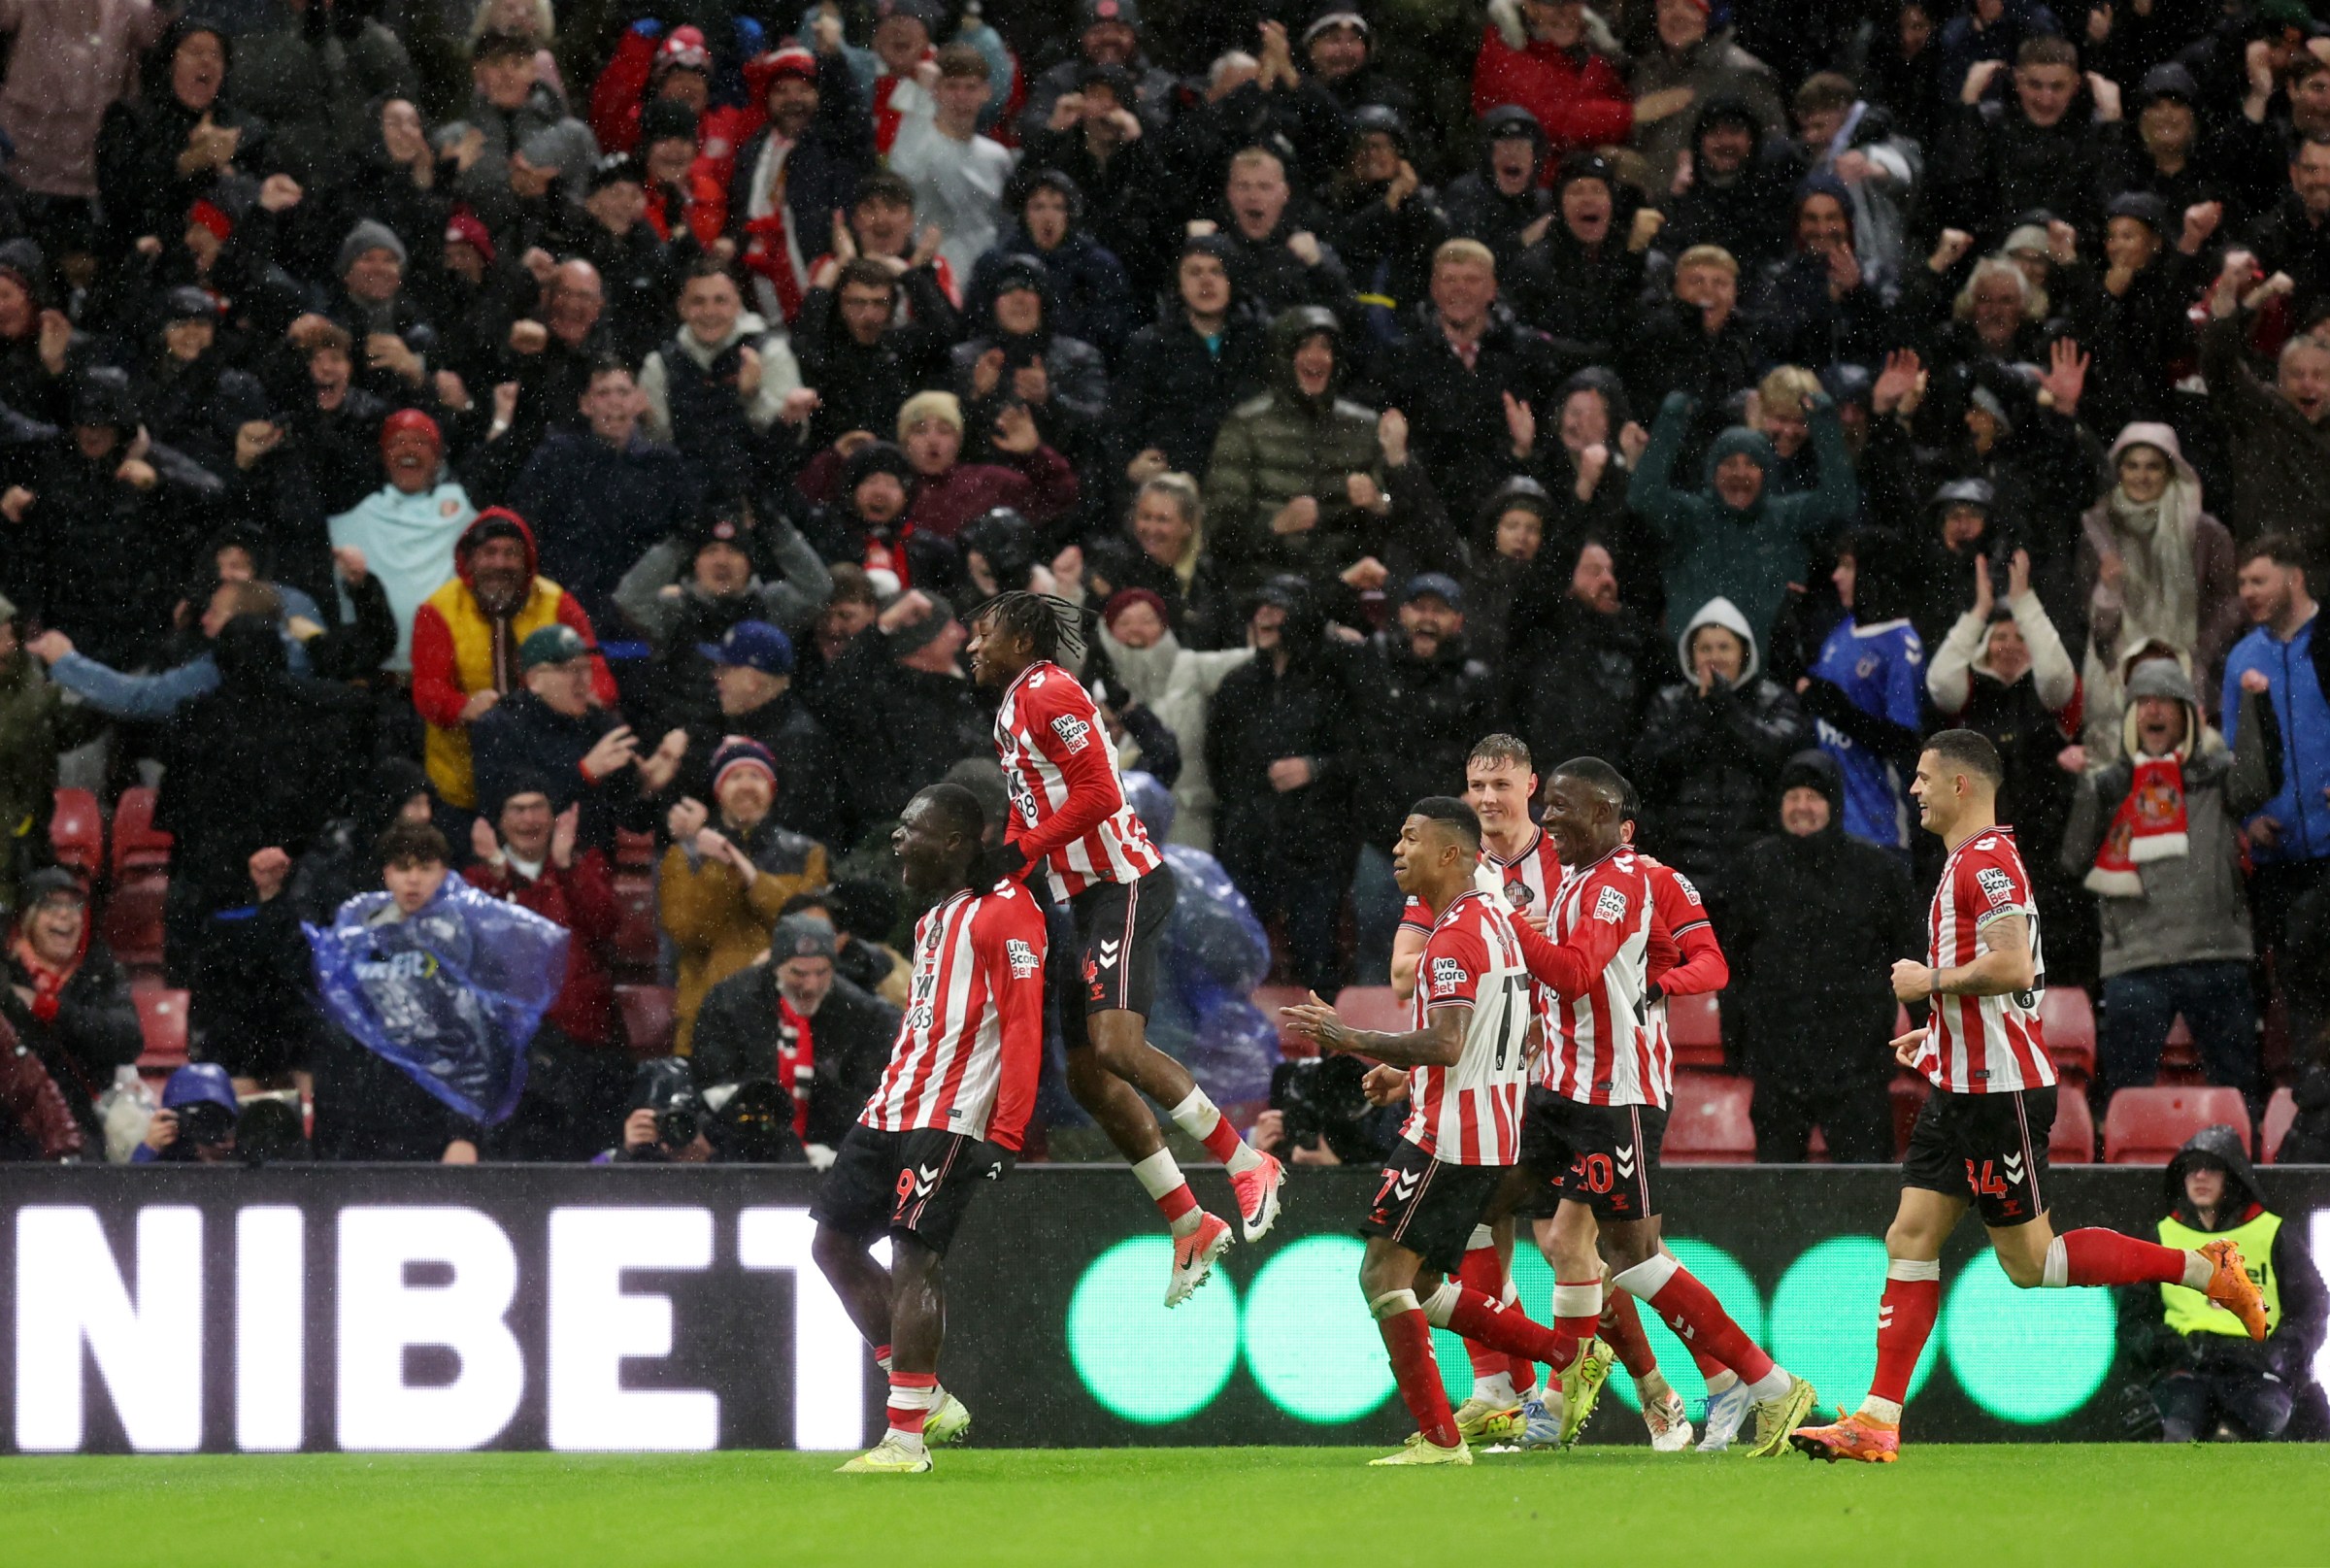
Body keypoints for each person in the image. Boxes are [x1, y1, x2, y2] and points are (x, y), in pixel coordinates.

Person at [1794, 730, 2270, 1463]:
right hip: (1961, 1083)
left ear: (1961, 785)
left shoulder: (1985, 861)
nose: (1913, 789)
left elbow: (2013, 963)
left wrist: (1929, 985)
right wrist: (1940, 1036)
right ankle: (1878, 1418)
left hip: (2000, 1094)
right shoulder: (1967, 860)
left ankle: (2208, 1268)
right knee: (1909, 1235)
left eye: (1923, 778)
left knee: (2033, 1264)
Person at [1492, 757, 1819, 1454]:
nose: (1545, 819)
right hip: (1561, 1086)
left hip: (1617, 1091)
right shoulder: (1573, 879)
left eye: (1560, 806)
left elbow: (1696, 962)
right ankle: (1570, 1390)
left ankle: (1736, 1381)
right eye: (1543, 805)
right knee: (1536, 1226)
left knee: (1624, 1253)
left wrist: (1656, 982)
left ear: (1616, 818)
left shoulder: (1635, 881)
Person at [968, 590, 1282, 1306]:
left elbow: (1103, 794)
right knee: (1086, 1075)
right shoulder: (1014, 703)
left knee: (1115, 1043)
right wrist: (1018, 872)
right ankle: (1188, 1219)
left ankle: (1245, 1161)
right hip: (1083, 898)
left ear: (1021, 639)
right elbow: (1036, 803)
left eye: (983, 634)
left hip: (1125, 882)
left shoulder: (1050, 692)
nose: (972, 647)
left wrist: (1024, 849)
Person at [1280, 796, 1575, 1466]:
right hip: (1489, 1130)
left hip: (1448, 1134)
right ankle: (1566, 1352)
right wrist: (1397, 1069)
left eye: (1411, 837)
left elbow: (1446, 1042)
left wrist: (1348, 1035)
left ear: (1451, 852)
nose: (1397, 849)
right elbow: (1513, 1028)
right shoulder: (1499, 917)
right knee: (1424, 1283)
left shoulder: (1452, 938)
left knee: (1381, 1274)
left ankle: (1441, 1441)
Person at [811, 784, 1046, 1473]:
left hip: (950, 1114)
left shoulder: (1008, 915)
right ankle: (929, 1395)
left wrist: (1006, 1132)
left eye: (910, 827)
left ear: (954, 840)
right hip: (890, 1105)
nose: (897, 838)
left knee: (913, 1254)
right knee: (831, 1242)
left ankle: (906, 1440)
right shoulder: (932, 919)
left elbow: (1026, 1029)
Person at [2063, 662, 2275, 1111]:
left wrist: (2256, 706)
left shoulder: (2217, 775)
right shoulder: (2110, 785)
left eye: (2162, 700)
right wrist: (2086, 787)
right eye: (2142, 701)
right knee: (2125, 1102)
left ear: (2185, 714)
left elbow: (2257, 785)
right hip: (2135, 961)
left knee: (2240, 1100)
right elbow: (2073, 859)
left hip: (2215, 956)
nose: (2151, 710)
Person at [1728, 751, 1922, 1163]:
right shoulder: (1753, 868)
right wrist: (1737, 1045)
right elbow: (1734, 964)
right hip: (1776, 1066)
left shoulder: (1879, 871)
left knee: (1865, 1204)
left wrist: (1926, 1031)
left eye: (1812, 797)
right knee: (1775, 1201)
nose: (1801, 808)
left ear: (1833, 804)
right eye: (1792, 797)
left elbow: (1911, 960)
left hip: (1859, 1068)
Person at [2117, 1125, 2328, 1444]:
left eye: (2211, 1168)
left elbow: (2313, 1306)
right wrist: (2165, 1347)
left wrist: (2278, 1354)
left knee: (2266, 1427)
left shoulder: (2271, 1233)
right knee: (2174, 1434)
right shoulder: (2162, 1236)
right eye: (2191, 1170)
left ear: (2232, 1175)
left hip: (2257, 1372)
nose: (2200, 1177)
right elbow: (2134, 1315)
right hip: (2185, 1371)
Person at [410, 509, 616, 816]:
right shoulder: (437, 610)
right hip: (462, 785)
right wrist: (463, 707)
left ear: (527, 560)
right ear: (468, 560)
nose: (500, 563)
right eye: (489, 553)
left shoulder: (558, 602)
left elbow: (598, 672)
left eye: (511, 554)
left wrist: (588, 695)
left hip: (552, 778)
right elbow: (428, 690)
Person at [461, 785, 627, 1160]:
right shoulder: (475, 877)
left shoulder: (583, 865)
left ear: (553, 817)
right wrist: (498, 875)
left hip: (582, 1042)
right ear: (500, 821)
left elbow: (605, 923)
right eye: (517, 809)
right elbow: (482, 944)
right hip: (511, 1048)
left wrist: (567, 866)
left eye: (538, 808)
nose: (529, 819)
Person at [1631, 596, 1808, 925]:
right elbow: (1648, 767)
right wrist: (1700, 715)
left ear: (1744, 652)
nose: (1714, 657)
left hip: (1754, 864)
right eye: (1705, 648)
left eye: (1724, 647)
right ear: (1690, 654)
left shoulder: (1773, 700)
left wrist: (1728, 709)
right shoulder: (1670, 702)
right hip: (1683, 865)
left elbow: (1776, 756)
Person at [2219, 535, 2330, 1043]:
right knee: (2297, 994)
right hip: (2278, 860)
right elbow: (2232, 757)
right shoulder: (2242, 660)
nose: (2247, 592)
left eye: (2258, 580)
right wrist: (2247, 818)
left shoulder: (2327, 640)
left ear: (2295, 578)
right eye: (2241, 583)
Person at [658, 738, 829, 1052]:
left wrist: (753, 878)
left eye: (757, 776)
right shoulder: (684, 856)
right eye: (735, 777)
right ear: (718, 791)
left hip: (786, 1013)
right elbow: (690, 933)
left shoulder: (806, 854)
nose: (747, 786)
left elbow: (809, 930)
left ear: (772, 788)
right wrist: (721, 865)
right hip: (707, 1018)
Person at [691, 912, 901, 1163]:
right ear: (776, 965)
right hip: (744, 1152)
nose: (810, 985)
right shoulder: (731, 1001)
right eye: (798, 974)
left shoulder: (863, 1014)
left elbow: (869, 1093)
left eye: (821, 972)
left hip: (832, 1153)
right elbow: (714, 1081)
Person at [2, 868, 141, 1151]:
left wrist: (53, 1010)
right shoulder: (7, 975)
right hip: (13, 1127)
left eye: (73, 906)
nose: (65, 915)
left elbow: (129, 1040)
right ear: (27, 918)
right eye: (50, 906)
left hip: (83, 1127)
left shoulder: (99, 970)